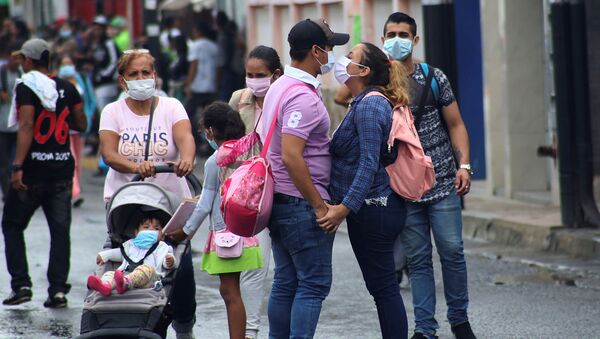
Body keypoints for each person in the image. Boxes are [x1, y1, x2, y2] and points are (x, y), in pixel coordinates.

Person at [384, 12, 476, 339]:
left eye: (404, 34)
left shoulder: (433, 77)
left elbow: (456, 125)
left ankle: (460, 319)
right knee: (418, 259)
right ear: (383, 40)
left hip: (442, 183)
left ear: (415, 40)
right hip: (404, 189)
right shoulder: (378, 84)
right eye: (392, 33)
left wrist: (463, 166)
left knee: (452, 250)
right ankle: (425, 329)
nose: (398, 39)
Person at [98, 49, 197, 339]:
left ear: (154, 75)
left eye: (146, 73)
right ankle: (138, 324)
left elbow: (185, 138)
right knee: (131, 265)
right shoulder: (113, 112)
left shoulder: (171, 106)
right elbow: (108, 152)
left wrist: (187, 159)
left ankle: (184, 326)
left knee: (179, 271)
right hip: (128, 206)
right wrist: (135, 165)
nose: (141, 79)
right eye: (134, 74)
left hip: (170, 207)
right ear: (122, 81)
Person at [261, 18, 348, 338]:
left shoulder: (280, 86)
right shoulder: (301, 96)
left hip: (281, 201)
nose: (332, 54)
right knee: (313, 284)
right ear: (315, 51)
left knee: (287, 281)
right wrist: (319, 206)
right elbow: (291, 155)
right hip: (299, 204)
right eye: (330, 48)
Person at [320, 42, 410, 339]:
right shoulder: (362, 101)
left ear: (364, 70)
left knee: (384, 290)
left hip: (375, 208)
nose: (343, 61)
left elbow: (370, 162)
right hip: (370, 208)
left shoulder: (371, 104)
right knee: (381, 289)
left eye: (350, 57)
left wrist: (345, 208)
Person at [1, 38, 87, 308]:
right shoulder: (67, 87)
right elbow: (81, 123)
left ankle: (22, 285)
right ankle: (58, 291)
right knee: (60, 231)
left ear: (28, 60)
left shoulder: (27, 87)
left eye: (22, 59)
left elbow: (26, 125)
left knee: (12, 225)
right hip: (62, 169)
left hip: (33, 173)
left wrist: (17, 166)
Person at [167, 102, 263, 339]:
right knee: (232, 291)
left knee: (230, 293)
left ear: (210, 131)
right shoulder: (249, 150)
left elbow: (205, 205)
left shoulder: (215, 160)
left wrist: (185, 231)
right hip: (248, 231)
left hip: (226, 235)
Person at [228, 45, 282, 339]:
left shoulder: (285, 97)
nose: (253, 81)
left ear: (275, 74)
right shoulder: (240, 99)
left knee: (285, 271)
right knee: (253, 265)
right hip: (249, 195)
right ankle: (250, 332)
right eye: (249, 74)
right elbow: (225, 141)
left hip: (283, 189)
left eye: (259, 75)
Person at [87, 212, 177, 296]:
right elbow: (121, 254)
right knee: (110, 274)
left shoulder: (162, 246)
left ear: (162, 236)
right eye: (146, 227)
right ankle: (106, 286)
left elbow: (167, 261)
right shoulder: (131, 245)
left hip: (150, 280)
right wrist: (105, 255)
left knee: (146, 269)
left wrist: (170, 261)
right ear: (136, 232)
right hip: (126, 274)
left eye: (156, 229)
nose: (151, 231)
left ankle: (125, 283)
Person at [58, 55, 96, 207]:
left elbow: (90, 101)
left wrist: (88, 116)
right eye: (64, 64)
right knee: (71, 160)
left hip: (79, 129)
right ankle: (74, 191)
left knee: (77, 161)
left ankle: (74, 188)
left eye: (69, 63)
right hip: (64, 129)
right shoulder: (58, 84)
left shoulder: (82, 81)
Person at [184, 21, 218, 152]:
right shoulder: (213, 46)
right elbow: (217, 67)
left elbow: (194, 65)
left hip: (197, 86)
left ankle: (197, 143)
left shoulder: (194, 46)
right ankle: (211, 145)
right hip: (211, 86)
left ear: (198, 31)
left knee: (188, 114)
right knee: (210, 117)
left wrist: (189, 82)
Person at [0, 47, 21, 200]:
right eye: (14, 58)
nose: (16, 61)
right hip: (2, 125)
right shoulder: (2, 74)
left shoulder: (22, 74)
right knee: (4, 161)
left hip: (18, 126)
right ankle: (6, 192)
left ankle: (14, 191)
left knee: (15, 161)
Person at [90, 15, 120, 113]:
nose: (96, 32)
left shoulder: (109, 43)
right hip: (98, 85)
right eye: (95, 29)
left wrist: (103, 75)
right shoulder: (96, 44)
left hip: (108, 83)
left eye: (99, 29)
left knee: (107, 112)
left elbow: (114, 61)